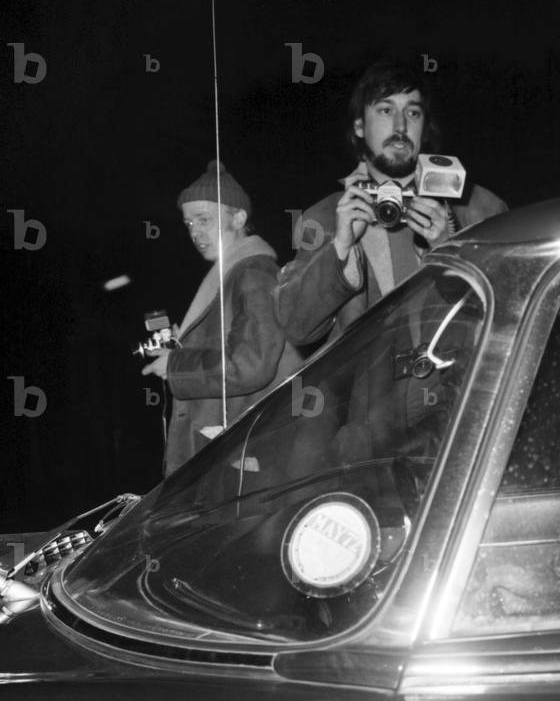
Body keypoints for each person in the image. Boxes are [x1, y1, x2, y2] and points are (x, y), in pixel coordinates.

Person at [274, 61, 507, 347]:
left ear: (424, 127)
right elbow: (296, 327)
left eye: (413, 112)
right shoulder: (324, 217)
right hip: (367, 390)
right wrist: (340, 250)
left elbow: (509, 313)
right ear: (359, 126)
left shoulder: (477, 206)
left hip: (456, 387)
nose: (401, 126)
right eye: (385, 110)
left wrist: (449, 252)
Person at [141, 161, 302, 475]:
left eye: (204, 220)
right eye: (189, 224)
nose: (195, 232)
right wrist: (181, 348)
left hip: (240, 459)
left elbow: (252, 364)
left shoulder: (253, 272)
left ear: (238, 217)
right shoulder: (226, 274)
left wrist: (175, 367)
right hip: (225, 454)